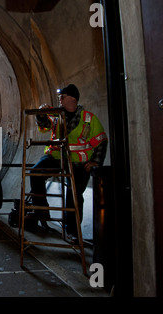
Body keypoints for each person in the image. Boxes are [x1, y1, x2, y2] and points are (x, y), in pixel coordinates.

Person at [29, 84, 108, 244]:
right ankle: (41, 212)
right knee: (35, 173)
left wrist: (95, 162)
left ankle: (72, 231)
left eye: (62, 96)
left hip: (79, 163)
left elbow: (101, 140)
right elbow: (44, 126)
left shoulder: (88, 119)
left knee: (75, 194)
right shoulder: (57, 115)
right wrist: (42, 114)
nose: (59, 99)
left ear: (72, 98)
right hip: (57, 157)